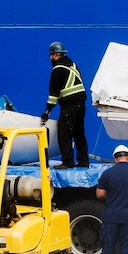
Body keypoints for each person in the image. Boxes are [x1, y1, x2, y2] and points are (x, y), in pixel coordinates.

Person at [40, 41, 89, 169]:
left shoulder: (57, 70)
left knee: (64, 134)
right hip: (81, 105)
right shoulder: (73, 65)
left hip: (69, 106)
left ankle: (68, 162)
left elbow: (53, 94)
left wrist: (47, 111)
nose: (50, 58)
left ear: (55, 55)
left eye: (51, 55)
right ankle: (84, 162)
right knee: (79, 133)